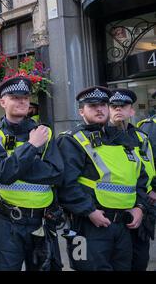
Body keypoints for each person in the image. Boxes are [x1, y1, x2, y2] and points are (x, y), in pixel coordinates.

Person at [57, 86, 149, 271]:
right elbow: (66, 184)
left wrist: (140, 207)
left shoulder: (124, 139)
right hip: (88, 224)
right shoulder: (72, 140)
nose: (99, 109)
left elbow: (140, 177)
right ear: (81, 111)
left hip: (123, 225)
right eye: (92, 106)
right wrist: (89, 211)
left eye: (103, 105)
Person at [0, 77, 64, 271]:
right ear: (2, 102)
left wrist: (15, 167)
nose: (21, 102)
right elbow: (1, 173)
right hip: (6, 221)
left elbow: (55, 173)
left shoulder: (45, 132)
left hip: (42, 221)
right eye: (15, 97)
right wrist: (31, 146)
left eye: (25, 98)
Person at [109, 88, 156, 271]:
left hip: (143, 209)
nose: (118, 109)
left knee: (140, 261)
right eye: (114, 106)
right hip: (113, 214)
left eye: (123, 106)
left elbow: (151, 167)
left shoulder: (141, 137)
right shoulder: (101, 139)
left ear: (131, 111)